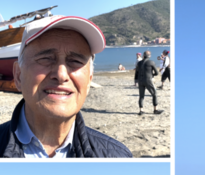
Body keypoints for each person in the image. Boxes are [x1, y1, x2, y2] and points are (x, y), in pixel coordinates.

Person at [0, 15, 132, 158]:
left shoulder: (117, 156)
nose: (61, 75)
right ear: (18, 75)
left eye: (75, 61)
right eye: (45, 59)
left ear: (89, 81)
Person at [136, 51, 163, 115]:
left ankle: (141, 110)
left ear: (143, 56)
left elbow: (137, 72)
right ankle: (155, 110)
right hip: (148, 80)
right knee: (154, 94)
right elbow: (156, 73)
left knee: (141, 96)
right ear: (149, 56)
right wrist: (152, 75)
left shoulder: (139, 63)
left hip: (140, 80)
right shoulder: (151, 62)